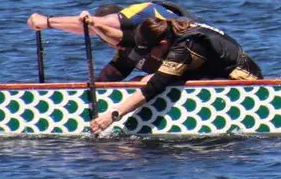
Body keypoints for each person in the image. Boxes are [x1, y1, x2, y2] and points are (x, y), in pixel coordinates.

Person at [92, 16, 262, 135]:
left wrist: (113, 115)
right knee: (142, 80)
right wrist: (94, 24)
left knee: (151, 81)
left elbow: (156, 85)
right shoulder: (170, 29)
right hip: (214, 72)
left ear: (162, 44)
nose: (149, 56)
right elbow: (127, 38)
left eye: (150, 52)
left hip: (243, 82)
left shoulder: (186, 45)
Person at [27, 0, 191, 81]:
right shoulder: (126, 50)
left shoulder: (134, 20)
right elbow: (106, 80)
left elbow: (91, 23)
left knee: (141, 81)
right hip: (177, 77)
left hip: (197, 66)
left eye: (106, 36)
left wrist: (47, 22)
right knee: (135, 82)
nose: (109, 44)